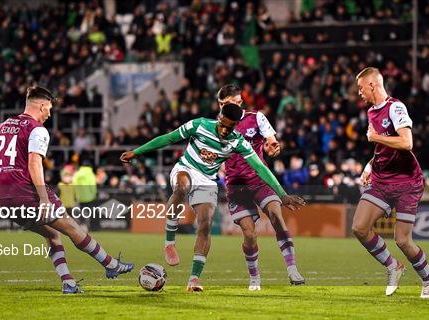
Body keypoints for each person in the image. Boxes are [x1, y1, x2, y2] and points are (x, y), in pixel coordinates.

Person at [120, 103, 305, 292]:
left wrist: (282, 194)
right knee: (182, 187)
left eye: (230, 127)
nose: (225, 130)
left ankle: (193, 279)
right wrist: (137, 152)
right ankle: (169, 241)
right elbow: (168, 138)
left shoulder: (237, 142)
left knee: (205, 222)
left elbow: (261, 168)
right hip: (186, 168)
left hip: (207, 180)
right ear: (219, 118)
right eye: (223, 124)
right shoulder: (198, 125)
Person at [0, 86, 134, 294]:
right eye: (49, 109)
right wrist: (43, 198)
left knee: (52, 235)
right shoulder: (36, 129)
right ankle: (111, 265)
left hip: (7, 199)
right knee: (73, 229)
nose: (49, 114)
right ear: (41, 105)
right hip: (29, 193)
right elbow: (34, 164)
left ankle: (68, 283)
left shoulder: (1, 127)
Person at [354, 68, 429, 298]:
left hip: (407, 182)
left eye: (361, 88)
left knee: (402, 240)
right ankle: (393, 266)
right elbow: (383, 146)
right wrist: (370, 165)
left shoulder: (396, 107)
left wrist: (375, 138)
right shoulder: (371, 112)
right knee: (359, 227)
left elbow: (406, 142)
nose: (359, 93)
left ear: (372, 85)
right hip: (382, 180)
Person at [217, 84, 305, 291]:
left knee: (276, 214)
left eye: (236, 103)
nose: (235, 107)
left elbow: (272, 142)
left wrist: (273, 147)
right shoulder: (216, 126)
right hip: (236, 186)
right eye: (227, 104)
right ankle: (254, 277)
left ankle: (293, 270)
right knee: (249, 234)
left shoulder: (256, 118)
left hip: (259, 180)